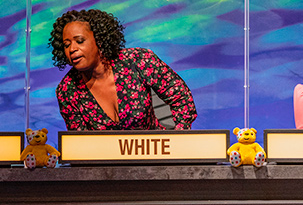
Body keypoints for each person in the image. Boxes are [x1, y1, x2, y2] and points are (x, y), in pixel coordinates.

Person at [50, 8, 197, 131]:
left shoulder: (139, 60)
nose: (72, 49)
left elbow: (182, 98)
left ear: (99, 40)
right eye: (66, 45)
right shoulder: (67, 90)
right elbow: (79, 144)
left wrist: (177, 143)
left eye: (79, 41)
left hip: (154, 156)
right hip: (106, 163)